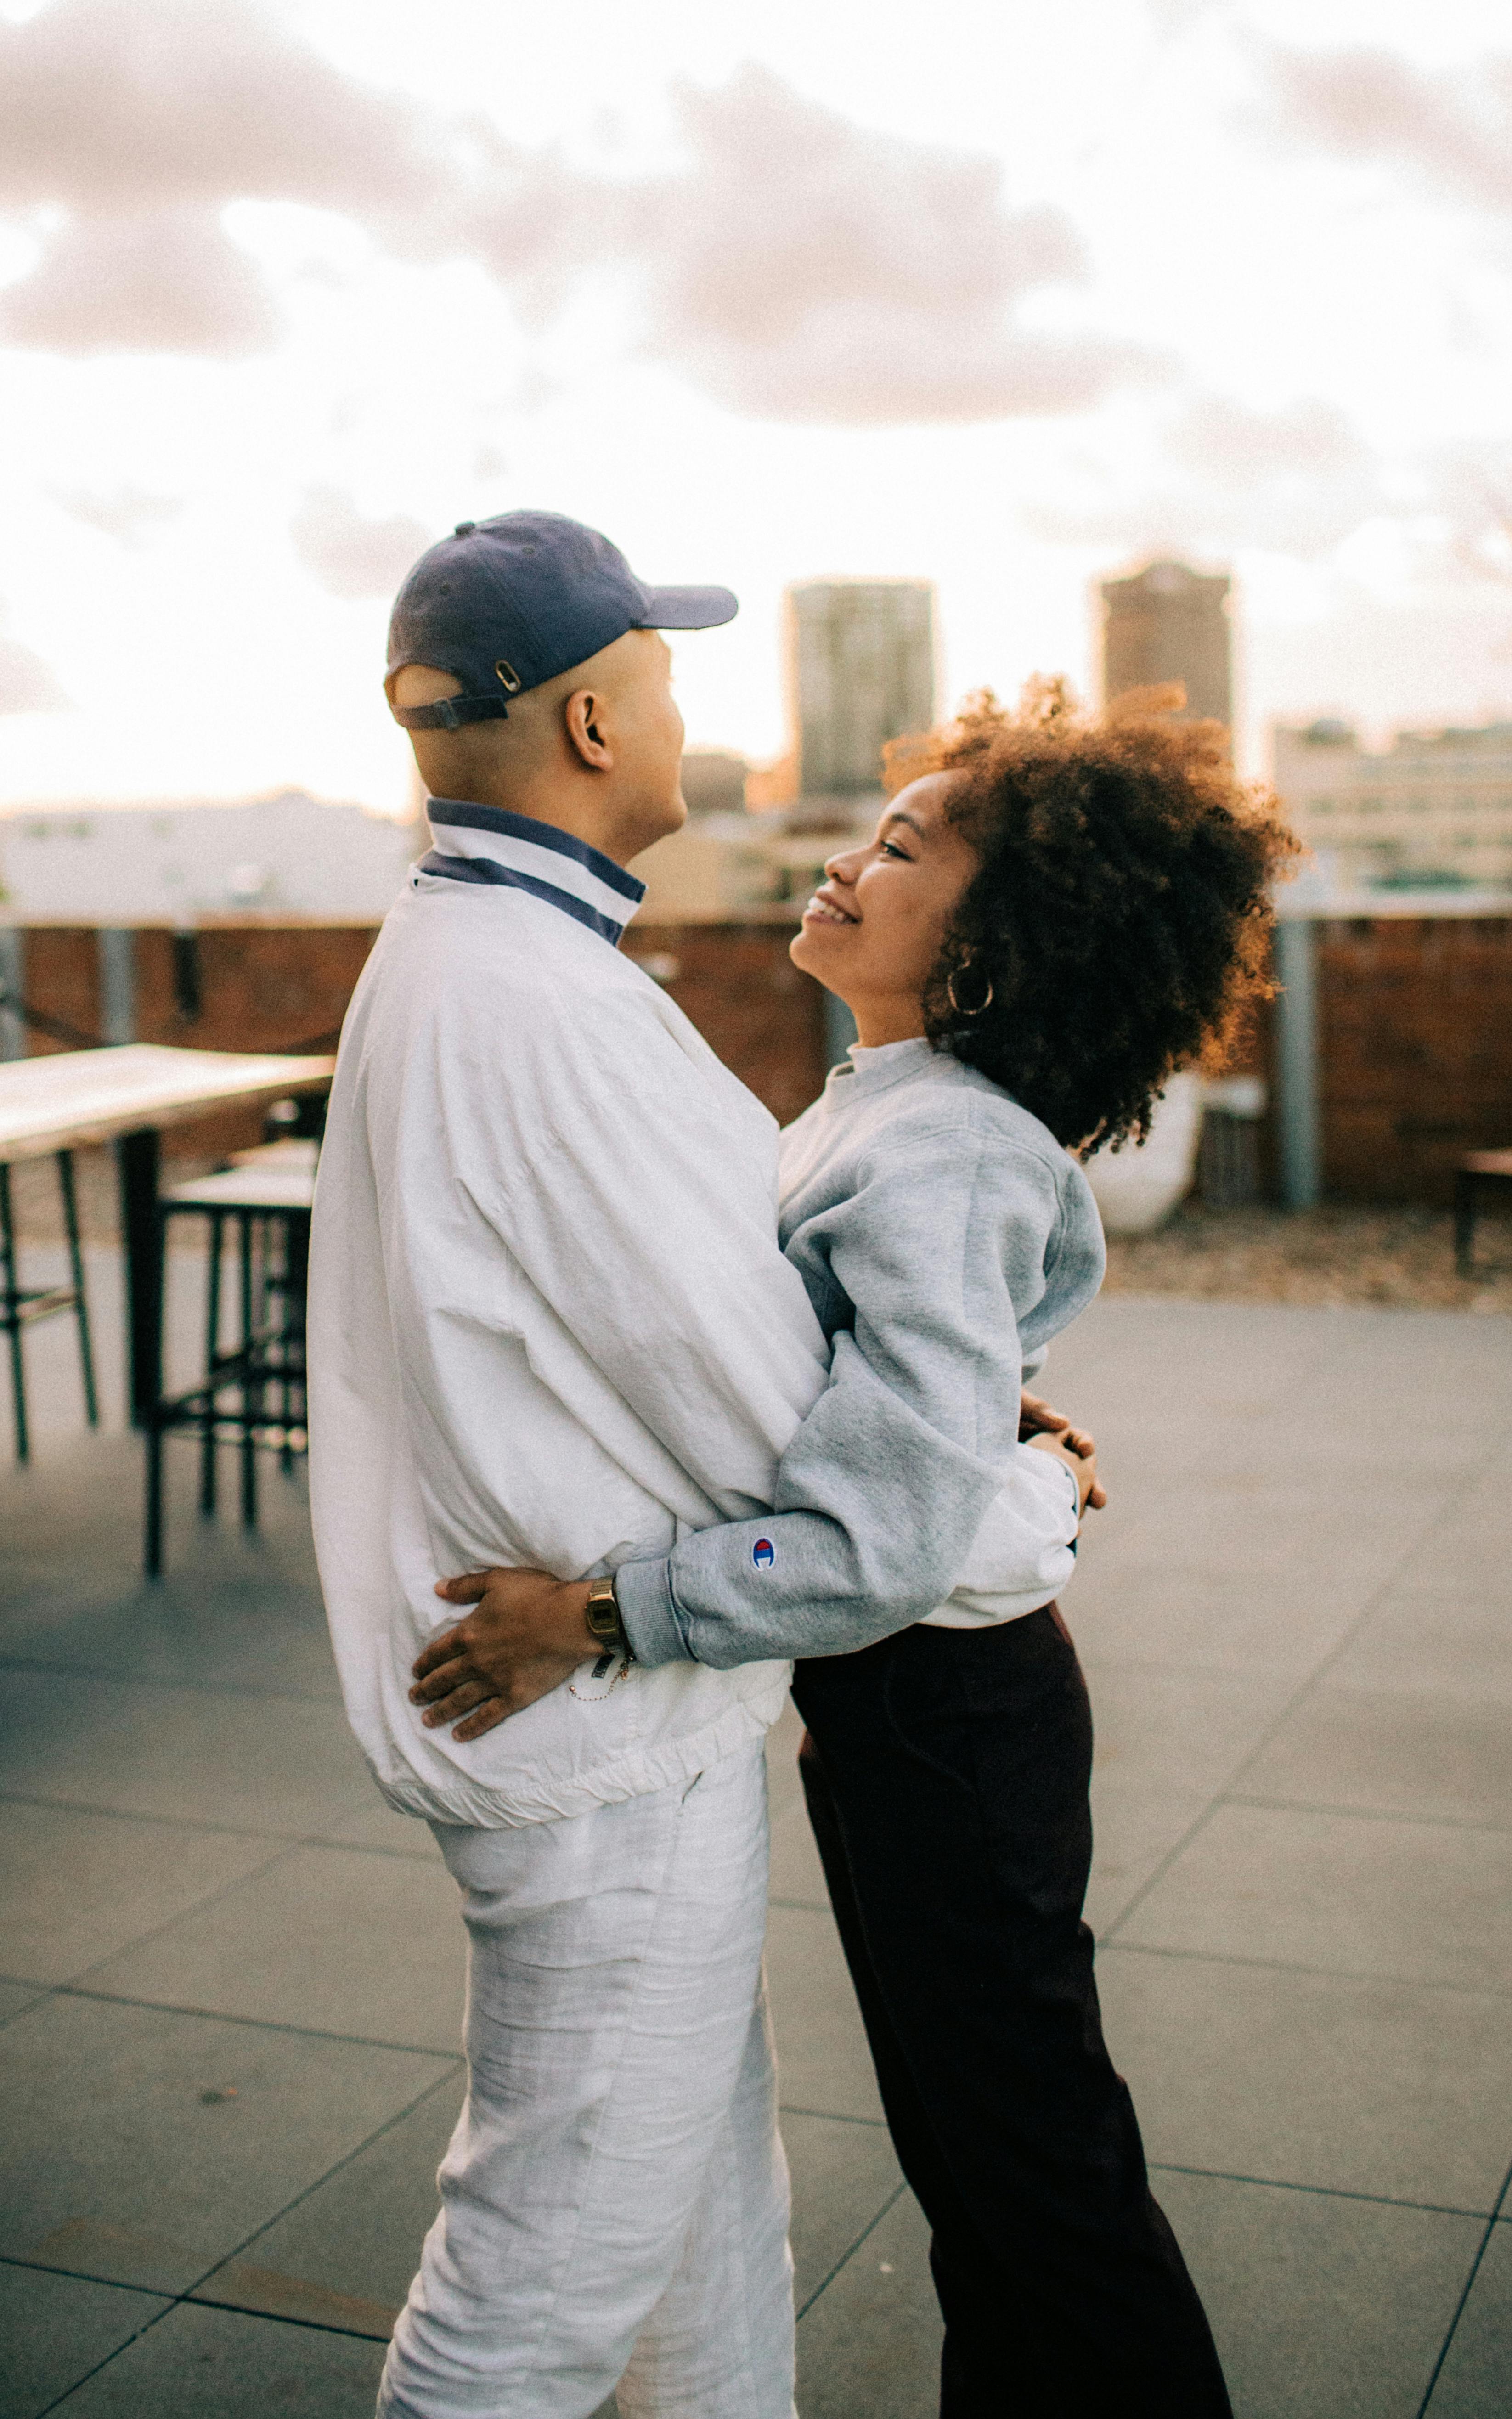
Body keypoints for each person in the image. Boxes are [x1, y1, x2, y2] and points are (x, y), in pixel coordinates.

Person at [414, 680, 1300, 2416]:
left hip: (952, 1725)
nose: (844, 858)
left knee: (1030, 2169)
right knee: (987, 2159)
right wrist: (994, 1421)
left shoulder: (938, 1145)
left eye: (899, 849)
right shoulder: (887, 1104)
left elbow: (881, 1542)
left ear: (1000, 943)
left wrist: (596, 1612)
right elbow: (892, 1382)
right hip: (920, 1719)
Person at [307, 514, 1098, 2419]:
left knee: (689, 2250)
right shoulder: (550, 1010)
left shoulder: (470, 957)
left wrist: (962, 1413)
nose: (680, 706)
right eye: (661, 671)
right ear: (591, 719)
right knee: (542, 2293)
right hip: (602, 1747)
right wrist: (1024, 1498)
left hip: (606, 1729)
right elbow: (808, 1463)